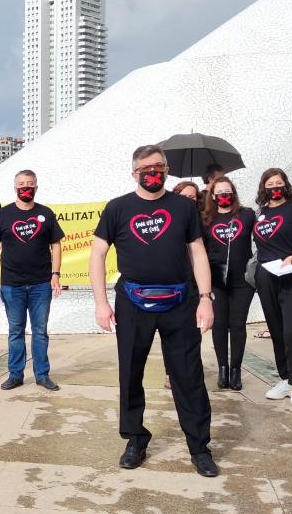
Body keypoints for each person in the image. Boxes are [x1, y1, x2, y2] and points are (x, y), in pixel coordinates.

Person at [90, 145, 220, 478]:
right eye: (147, 168)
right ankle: (135, 439)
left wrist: (205, 298)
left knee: (188, 376)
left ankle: (199, 447)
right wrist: (101, 302)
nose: (153, 172)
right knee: (130, 374)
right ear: (134, 172)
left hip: (181, 302)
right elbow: (98, 256)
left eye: (159, 167)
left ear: (167, 170)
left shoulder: (182, 207)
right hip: (133, 303)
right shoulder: (117, 208)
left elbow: (198, 253)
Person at [0, 170, 64, 392]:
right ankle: (15, 375)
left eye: (30, 184)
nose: (26, 187)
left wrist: (55, 274)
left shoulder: (46, 214)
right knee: (16, 331)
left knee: (40, 331)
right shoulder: (3, 214)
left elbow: (56, 244)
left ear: (36, 187)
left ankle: (42, 375)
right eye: (21, 184)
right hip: (12, 284)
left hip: (41, 284)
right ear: (15, 188)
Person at [253, 168, 292, 412]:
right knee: (276, 329)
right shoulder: (260, 214)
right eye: (270, 183)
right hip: (266, 276)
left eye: (279, 183)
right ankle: (285, 379)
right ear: (264, 188)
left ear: (286, 186)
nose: (275, 187)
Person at [201, 176, 256, 391]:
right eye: (220, 192)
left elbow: (263, 238)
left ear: (233, 193)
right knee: (220, 324)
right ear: (213, 196)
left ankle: (236, 370)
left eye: (228, 191)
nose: (224, 195)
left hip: (242, 280)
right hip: (216, 281)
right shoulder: (206, 219)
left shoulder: (247, 214)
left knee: (238, 324)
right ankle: (222, 368)